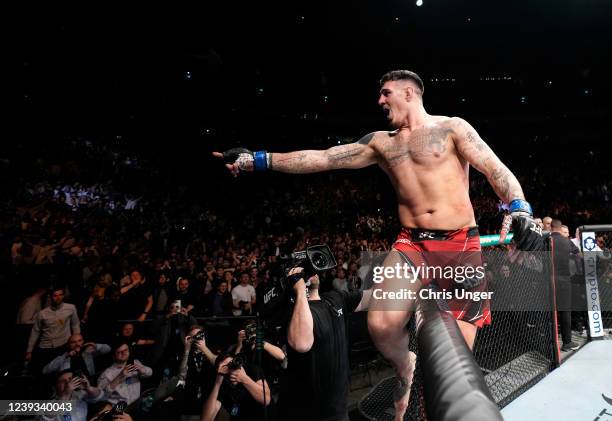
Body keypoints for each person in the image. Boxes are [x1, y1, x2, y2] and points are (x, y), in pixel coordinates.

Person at [215, 69, 538, 419]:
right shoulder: (381, 143)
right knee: (381, 325)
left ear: (409, 93)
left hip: (459, 243)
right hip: (410, 243)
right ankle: (406, 365)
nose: (380, 101)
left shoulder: (452, 128)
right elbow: (324, 157)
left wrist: (520, 208)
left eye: (386, 93)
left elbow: (495, 169)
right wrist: (257, 160)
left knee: (452, 362)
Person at [277, 268, 370, 421]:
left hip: (338, 409)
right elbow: (301, 344)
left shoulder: (334, 298)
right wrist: (300, 289)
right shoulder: (294, 315)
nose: (309, 269)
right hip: (310, 412)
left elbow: (374, 297)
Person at [200, 354, 272, 421]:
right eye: (225, 367)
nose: (231, 369)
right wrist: (218, 383)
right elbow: (206, 419)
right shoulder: (223, 382)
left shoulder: (252, 369)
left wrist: (244, 379)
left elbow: (266, 400)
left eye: (231, 363)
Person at [26, 286, 81, 372]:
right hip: (46, 347)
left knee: (63, 370)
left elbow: (75, 324)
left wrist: (77, 343)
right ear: (51, 297)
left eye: (60, 295)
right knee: (44, 371)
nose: (58, 297)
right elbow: (35, 332)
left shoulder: (70, 308)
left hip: (63, 345)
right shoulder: (42, 313)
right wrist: (29, 351)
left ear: (63, 296)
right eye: (55, 295)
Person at [550, 219, 580, 351]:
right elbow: (578, 257)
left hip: (549, 280)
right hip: (564, 279)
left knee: (550, 312)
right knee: (565, 311)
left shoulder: (546, 240)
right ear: (559, 228)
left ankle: (550, 344)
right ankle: (567, 342)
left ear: (551, 228)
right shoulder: (567, 241)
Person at [97, 341, 153, 406]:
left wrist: (142, 370)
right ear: (114, 356)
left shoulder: (134, 363)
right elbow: (101, 396)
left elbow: (150, 372)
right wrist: (120, 376)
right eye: (119, 352)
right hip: (119, 408)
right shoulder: (106, 374)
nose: (124, 353)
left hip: (136, 403)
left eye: (125, 350)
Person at [38, 369, 104, 421]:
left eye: (70, 379)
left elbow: (99, 396)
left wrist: (88, 388)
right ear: (55, 386)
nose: (68, 383)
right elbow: (44, 419)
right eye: (63, 381)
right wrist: (66, 394)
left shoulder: (80, 394)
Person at [42, 333, 110, 378]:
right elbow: (45, 371)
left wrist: (95, 345)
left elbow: (107, 349)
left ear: (83, 341)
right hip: (70, 387)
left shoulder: (87, 352)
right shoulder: (64, 356)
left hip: (88, 383)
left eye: (80, 341)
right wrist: (66, 356)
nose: (77, 344)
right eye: (73, 342)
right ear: (68, 345)